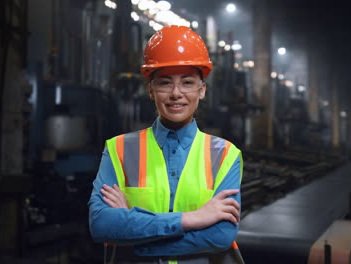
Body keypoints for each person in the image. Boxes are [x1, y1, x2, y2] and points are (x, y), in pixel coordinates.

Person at [88, 25, 244, 264]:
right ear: (151, 90)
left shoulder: (225, 155)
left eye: (188, 82)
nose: (176, 93)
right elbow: (101, 225)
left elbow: (220, 235)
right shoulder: (118, 150)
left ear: (202, 90)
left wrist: (133, 236)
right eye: (164, 83)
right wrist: (191, 219)